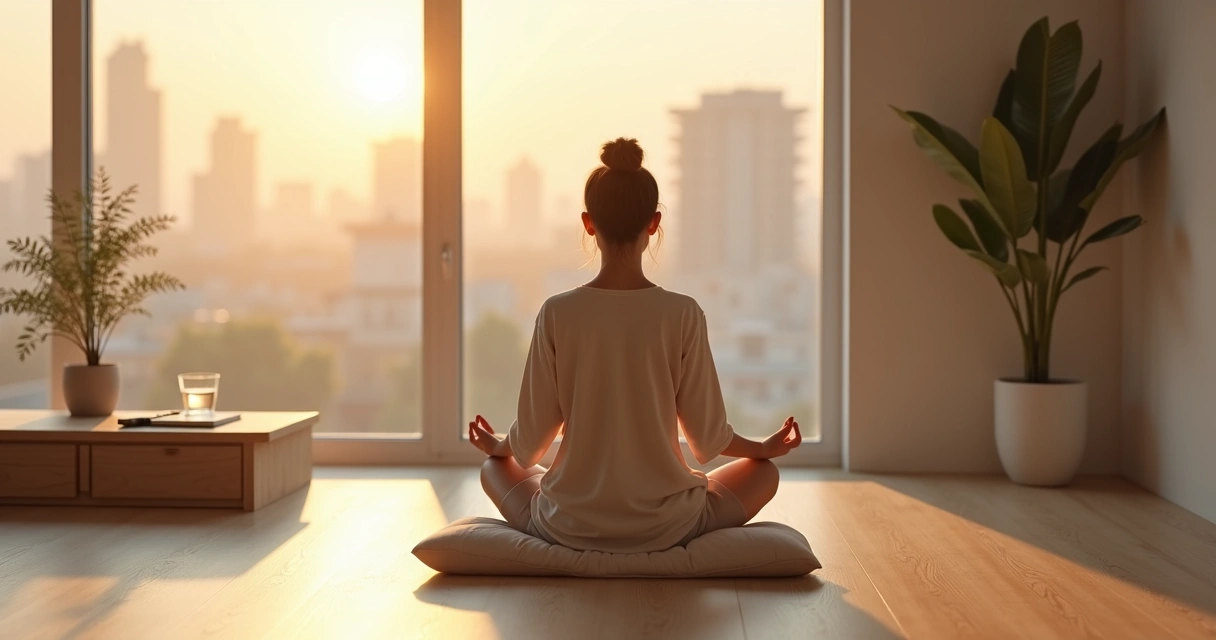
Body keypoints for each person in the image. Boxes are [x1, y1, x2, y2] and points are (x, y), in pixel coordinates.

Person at [467, 137, 802, 554]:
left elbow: (531, 444)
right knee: (763, 474)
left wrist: (499, 447)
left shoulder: (557, 312)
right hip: (667, 526)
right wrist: (762, 448)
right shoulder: (683, 313)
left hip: (569, 524)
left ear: (588, 224)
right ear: (654, 223)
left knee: (492, 469)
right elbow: (707, 442)